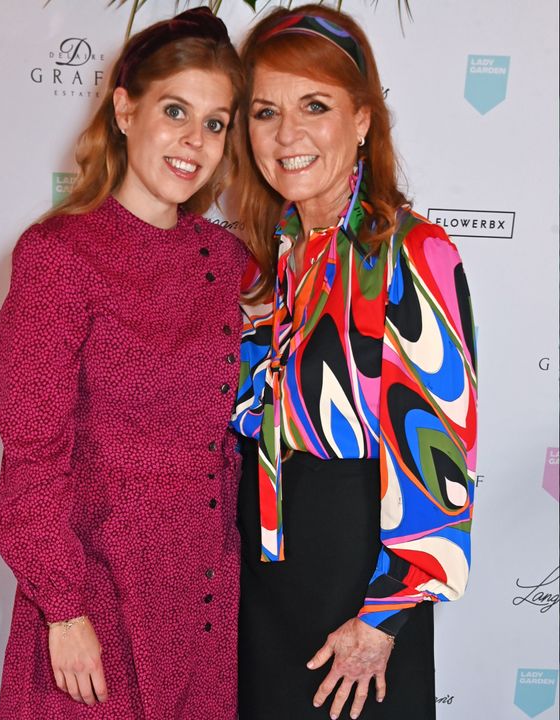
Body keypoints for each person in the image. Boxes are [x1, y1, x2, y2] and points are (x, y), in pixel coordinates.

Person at [0, 9, 247, 719]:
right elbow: (33, 455)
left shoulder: (231, 264)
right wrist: (63, 611)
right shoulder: (58, 257)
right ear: (126, 110)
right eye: (175, 111)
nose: (195, 141)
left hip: (204, 601)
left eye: (217, 123)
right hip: (94, 599)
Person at [229, 6, 477, 720]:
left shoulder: (409, 253)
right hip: (262, 583)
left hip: (358, 586)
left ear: (362, 117)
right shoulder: (266, 259)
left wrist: (383, 617)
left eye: (315, 105)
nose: (288, 135)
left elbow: (437, 448)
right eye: (265, 111)